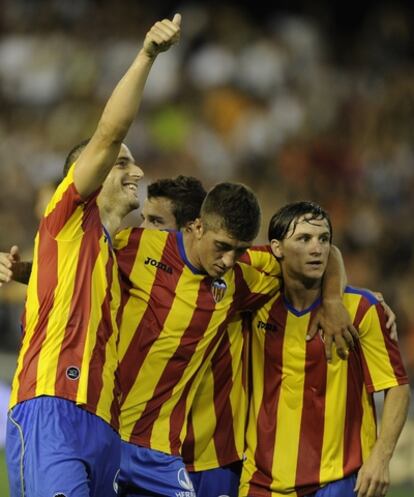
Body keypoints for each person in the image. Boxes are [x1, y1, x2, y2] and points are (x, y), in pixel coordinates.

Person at [4, 15, 181, 497]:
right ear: (88, 175)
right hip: (52, 409)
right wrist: (147, 55)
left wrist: (23, 270)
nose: (137, 171)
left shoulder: (112, 249)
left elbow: (63, 281)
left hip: (104, 426)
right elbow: (108, 132)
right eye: (122, 163)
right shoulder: (66, 214)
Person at [113, 181, 358, 497]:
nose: (229, 260)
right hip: (121, 433)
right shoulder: (138, 247)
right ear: (196, 227)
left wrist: (336, 299)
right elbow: (79, 269)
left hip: (205, 450)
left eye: (239, 249)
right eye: (223, 247)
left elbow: (322, 254)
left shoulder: (240, 275)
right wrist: (27, 271)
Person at [239, 201, 410, 497]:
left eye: (323, 239)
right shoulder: (257, 302)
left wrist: (381, 459)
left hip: (340, 480)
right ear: (276, 248)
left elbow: (396, 388)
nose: (317, 249)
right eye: (304, 239)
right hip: (262, 481)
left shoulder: (361, 309)